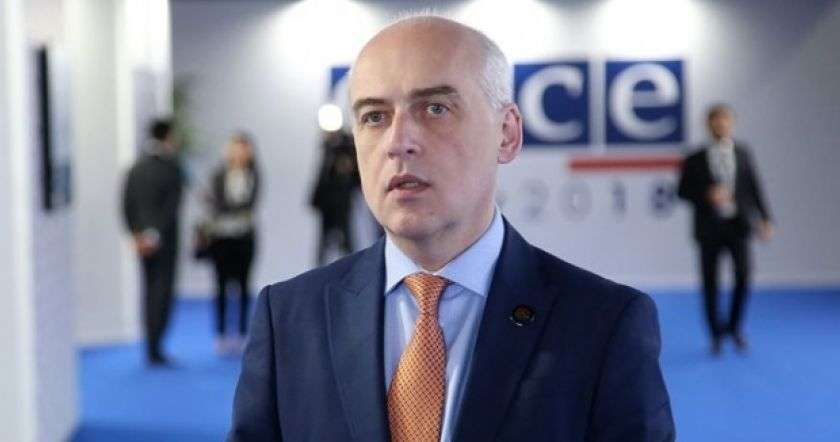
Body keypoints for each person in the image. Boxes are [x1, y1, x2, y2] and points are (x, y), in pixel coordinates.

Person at [229, 16, 674, 442]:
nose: (398, 142)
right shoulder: (287, 319)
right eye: (374, 116)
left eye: (435, 108)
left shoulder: (604, 325)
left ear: (506, 134)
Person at [677, 104, 773, 355]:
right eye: (716, 119)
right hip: (709, 228)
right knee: (710, 282)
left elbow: (753, 187)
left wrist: (765, 218)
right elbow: (682, 191)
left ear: (732, 123)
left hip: (737, 226)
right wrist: (706, 194)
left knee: (743, 275)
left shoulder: (743, 153)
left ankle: (734, 327)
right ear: (708, 124)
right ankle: (715, 334)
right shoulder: (695, 158)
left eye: (725, 119)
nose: (721, 124)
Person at [122, 118, 185, 366]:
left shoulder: (136, 167)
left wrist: (137, 234)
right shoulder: (172, 168)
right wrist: (155, 234)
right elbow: (171, 207)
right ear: (168, 136)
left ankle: (150, 346)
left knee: (148, 290)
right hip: (164, 241)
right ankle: (156, 347)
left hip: (142, 241)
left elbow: (126, 203)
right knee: (162, 291)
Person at [206, 132, 260, 355]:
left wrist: (235, 210)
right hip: (221, 236)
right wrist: (232, 210)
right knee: (220, 285)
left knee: (244, 285)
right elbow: (217, 203)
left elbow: (251, 203)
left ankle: (242, 332)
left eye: (243, 149)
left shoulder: (254, 174)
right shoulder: (218, 174)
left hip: (244, 236)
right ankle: (221, 333)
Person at [310, 129, 360, 265]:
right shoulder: (328, 151)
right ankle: (320, 272)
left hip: (343, 203)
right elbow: (322, 176)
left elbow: (355, 179)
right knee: (324, 243)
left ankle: (351, 270)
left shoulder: (347, 149)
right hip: (327, 204)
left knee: (347, 241)